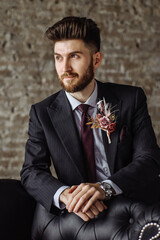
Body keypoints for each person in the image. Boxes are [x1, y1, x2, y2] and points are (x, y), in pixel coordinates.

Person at [21, 16, 160, 223]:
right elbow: (31, 171)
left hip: (132, 210)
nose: (64, 67)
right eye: (58, 57)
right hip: (78, 216)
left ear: (96, 60)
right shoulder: (42, 113)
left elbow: (150, 159)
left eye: (74, 56)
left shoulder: (131, 99)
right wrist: (66, 196)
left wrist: (104, 188)